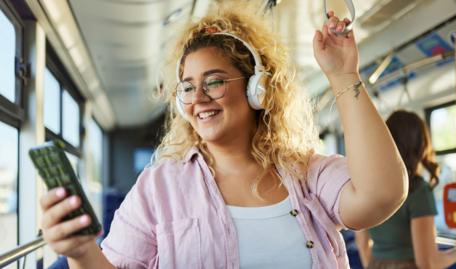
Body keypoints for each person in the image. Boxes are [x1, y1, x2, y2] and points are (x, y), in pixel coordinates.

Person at [39, 3, 408, 268]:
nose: (198, 98)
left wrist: (344, 76)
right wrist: (83, 252)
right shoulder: (159, 187)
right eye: (187, 87)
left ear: (257, 90)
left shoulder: (307, 172)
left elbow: (381, 196)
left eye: (214, 82)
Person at [355, 110, 456, 269]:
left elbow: (362, 242)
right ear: (421, 145)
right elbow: (427, 262)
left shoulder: (372, 184)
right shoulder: (418, 191)